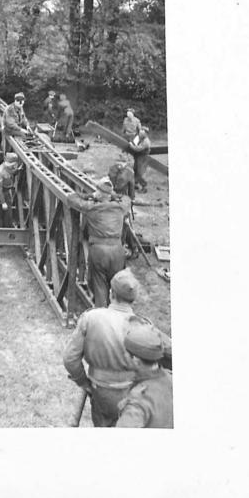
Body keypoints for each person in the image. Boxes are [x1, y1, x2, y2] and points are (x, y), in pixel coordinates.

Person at [63, 269, 172, 427]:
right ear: (133, 298)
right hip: (133, 392)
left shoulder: (91, 318)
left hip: (100, 391)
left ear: (110, 293)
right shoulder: (144, 326)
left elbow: (70, 358)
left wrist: (83, 382)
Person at [65, 176, 130, 307]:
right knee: (117, 284)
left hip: (99, 251)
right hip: (118, 250)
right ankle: (119, 314)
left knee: (99, 285)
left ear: (98, 193)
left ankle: (102, 315)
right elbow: (127, 198)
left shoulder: (92, 207)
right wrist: (111, 195)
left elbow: (71, 198)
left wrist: (91, 195)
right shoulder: (120, 207)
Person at [116, 323, 174, 428]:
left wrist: (130, 401)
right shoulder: (170, 378)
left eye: (126, 353)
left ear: (136, 360)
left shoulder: (137, 404)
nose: (123, 355)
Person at [0, 152, 20, 228]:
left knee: (8, 215)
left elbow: (11, 172)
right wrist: (3, 202)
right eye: (12, 165)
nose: (13, 167)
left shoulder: (10, 168)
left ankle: (8, 228)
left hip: (6, 192)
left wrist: (17, 171)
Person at [128, 126, 152, 193]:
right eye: (141, 130)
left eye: (142, 131)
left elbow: (137, 149)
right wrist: (131, 142)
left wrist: (131, 145)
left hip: (143, 158)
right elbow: (134, 142)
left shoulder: (146, 141)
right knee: (134, 170)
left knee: (139, 172)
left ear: (146, 133)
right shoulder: (139, 138)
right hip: (138, 157)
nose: (140, 132)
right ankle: (135, 184)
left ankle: (144, 186)